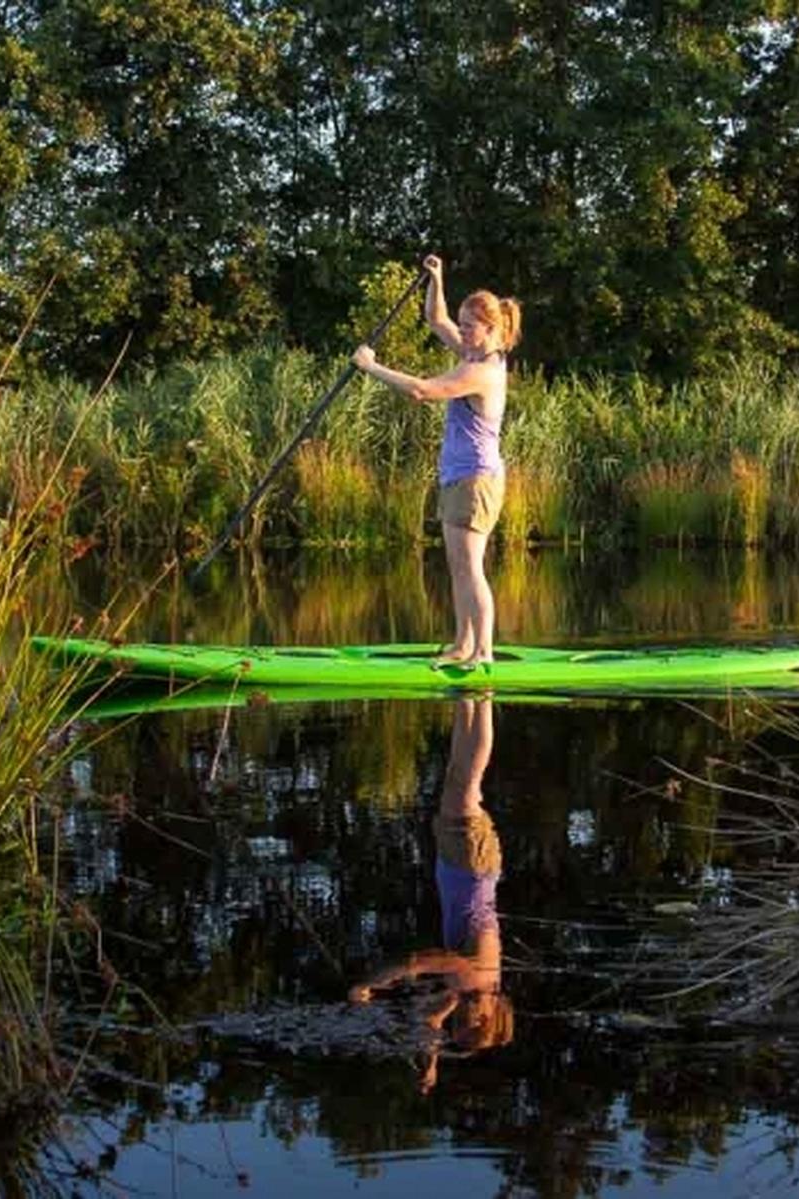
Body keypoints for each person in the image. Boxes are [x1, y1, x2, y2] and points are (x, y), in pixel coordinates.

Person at [353, 257, 522, 668]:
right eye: (462, 325)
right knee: (458, 568)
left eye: (469, 326)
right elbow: (435, 318)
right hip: (458, 477)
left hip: (475, 480)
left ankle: (482, 652)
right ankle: (463, 644)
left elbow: (422, 391)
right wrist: (437, 278)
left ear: (492, 329)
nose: (461, 331)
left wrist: (370, 366)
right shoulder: (473, 352)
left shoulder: (484, 372)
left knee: (470, 568)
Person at [347, 696, 512, 1093]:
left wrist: (432, 1062)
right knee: (467, 785)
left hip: (466, 864)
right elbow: (414, 962)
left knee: (458, 776)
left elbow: (432, 1021)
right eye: (475, 1023)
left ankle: (467, 701)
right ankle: (483, 698)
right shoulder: (471, 975)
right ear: (491, 1012)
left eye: (462, 1026)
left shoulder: (473, 988)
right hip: (469, 863)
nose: (464, 1019)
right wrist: (369, 983)